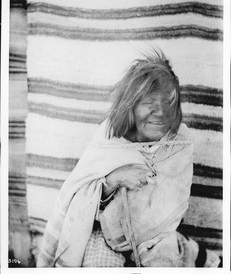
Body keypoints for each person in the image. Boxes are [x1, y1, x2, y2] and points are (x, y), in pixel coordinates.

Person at [37, 50, 220, 268]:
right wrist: (113, 180)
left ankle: (186, 249)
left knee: (166, 262)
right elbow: (77, 201)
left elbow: (172, 206)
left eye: (168, 102)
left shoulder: (179, 142)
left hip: (157, 235)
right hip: (103, 231)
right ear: (130, 105)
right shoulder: (110, 136)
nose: (161, 113)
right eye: (149, 102)